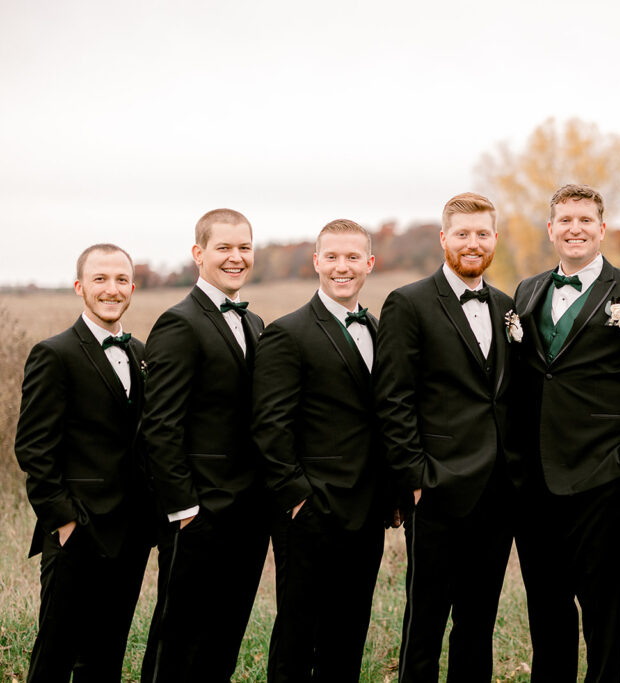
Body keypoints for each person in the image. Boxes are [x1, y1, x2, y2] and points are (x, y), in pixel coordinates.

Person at [510, 183, 620, 681]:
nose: (575, 229)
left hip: (602, 477)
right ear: (551, 229)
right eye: (565, 220)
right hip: (535, 480)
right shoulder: (528, 290)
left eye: (585, 220)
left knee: (605, 612)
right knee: (546, 609)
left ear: (602, 229)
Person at [374, 192, 516, 681]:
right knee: (426, 621)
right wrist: (414, 479)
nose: (472, 243)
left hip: (497, 493)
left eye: (482, 234)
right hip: (435, 491)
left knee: (479, 623)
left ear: (494, 239)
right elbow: (393, 398)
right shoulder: (408, 303)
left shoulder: (505, 305)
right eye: (462, 234)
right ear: (443, 239)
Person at [252, 219, 396, 682]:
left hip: (368, 509)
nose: (342, 266)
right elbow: (270, 426)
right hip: (310, 514)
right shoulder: (288, 333)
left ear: (369, 264)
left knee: (349, 632)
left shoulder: (379, 329)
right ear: (316, 262)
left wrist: (390, 494)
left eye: (353, 257)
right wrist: (297, 498)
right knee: (298, 633)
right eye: (331, 256)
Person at [15, 244, 154, 682]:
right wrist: (64, 521)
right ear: (80, 287)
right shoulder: (54, 354)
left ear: (131, 287)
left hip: (130, 536)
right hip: (78, 535)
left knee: (105, 659)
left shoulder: (142, 352)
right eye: (99, 279)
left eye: (120, 280)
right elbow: (33, 447)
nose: (111, 289)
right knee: (54, 659)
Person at [140, 208, 269, 682]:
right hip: (198, 515)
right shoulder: (180, 323)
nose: (236, 258)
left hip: (248, 514)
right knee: (178, 640)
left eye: (244, 248)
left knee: (224, 638)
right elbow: (160, 426)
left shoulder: (254, 324)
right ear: (199, 254)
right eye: (224, 248)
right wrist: (183, 509)